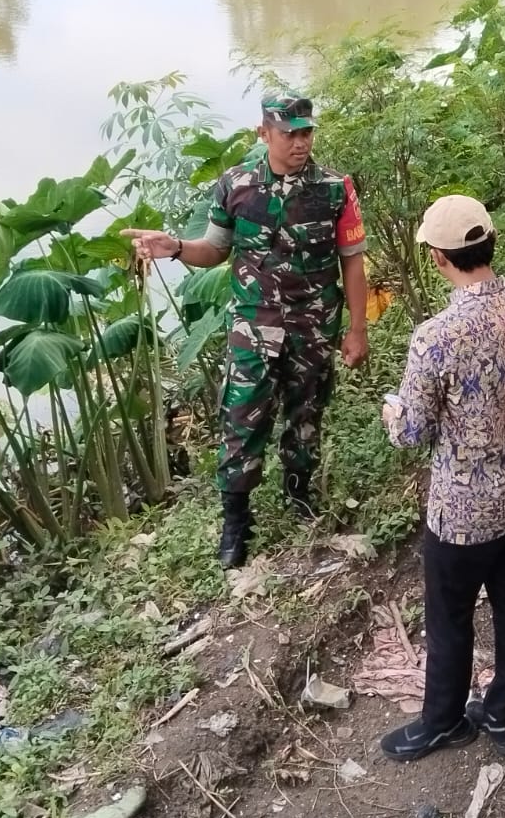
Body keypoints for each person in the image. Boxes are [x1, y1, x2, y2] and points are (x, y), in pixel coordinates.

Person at [124, 93, 369, 569]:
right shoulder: (236, 185)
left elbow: (352, 264)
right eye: (288, 133)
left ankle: (300, 500)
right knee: (242, 420)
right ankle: (236, 522)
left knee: (306, 417)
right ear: (264, 133)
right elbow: (214, 250)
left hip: (313, 326)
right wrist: (173, 246)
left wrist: (357, 329)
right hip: (254, 326)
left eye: (306, 132)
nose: (300, 143)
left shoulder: (336, 189)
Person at [377, 196, 505, 763]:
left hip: (464, 506)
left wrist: (392, 412)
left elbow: (411, 433)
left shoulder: (436, 336)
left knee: (449, 613)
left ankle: (443, 722)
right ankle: (500, 713)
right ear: (489, 244)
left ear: (438, 258)